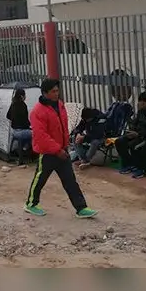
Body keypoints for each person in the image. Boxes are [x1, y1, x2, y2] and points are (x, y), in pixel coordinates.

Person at [24, 78, 98, 218]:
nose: (57, 93)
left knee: (70, 181)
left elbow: (63, 127)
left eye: (57, 90)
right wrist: (57, 150)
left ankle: (81, 208)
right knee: (40, 180)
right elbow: (41, 135)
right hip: (48, 153)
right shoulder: (37, 112)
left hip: (62, 151)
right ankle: (31, 203)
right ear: (45, 93)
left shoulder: (60, 105)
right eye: (53, 91)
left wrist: (65, 147)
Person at [114, 92, 146, 178]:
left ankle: (142, 169)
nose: (142, 106)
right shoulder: (141, 110)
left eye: (143, 103)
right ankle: (129, 164)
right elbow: (135, 122)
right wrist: (131, 130)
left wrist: (139, 134)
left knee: (135, 145)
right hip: (137, 134)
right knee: (119, 141)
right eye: (140, 104)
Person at [6, 88, 32, 157]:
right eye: (24, 95)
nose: (25, 97)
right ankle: (25, 149)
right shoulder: (23, 105)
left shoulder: (13, 104)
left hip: (14, 131)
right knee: (35, 134)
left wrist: (14, 120)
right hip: (21, 131)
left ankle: (22, 148)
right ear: (21, 96)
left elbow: (8, 116)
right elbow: (26, 121)